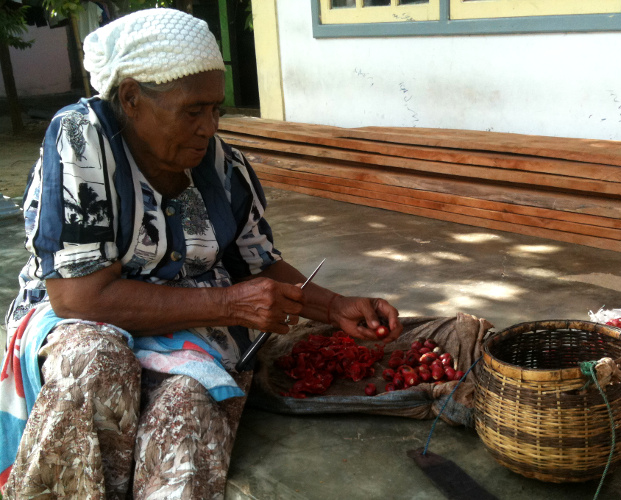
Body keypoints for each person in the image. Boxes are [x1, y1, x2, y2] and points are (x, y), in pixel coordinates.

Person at [0, 8, 402, 499]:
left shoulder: (221, 166)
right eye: (193, 111)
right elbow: (79, 297)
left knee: (190, 402)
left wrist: (335, 306)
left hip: (188, 329)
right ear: (131, 98)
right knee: (98, 364)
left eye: (216, 109)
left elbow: (258, 265)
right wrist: (230, 304)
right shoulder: (84, 141)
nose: (209, 126)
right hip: (83, 323)